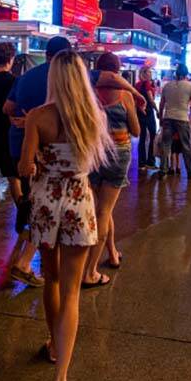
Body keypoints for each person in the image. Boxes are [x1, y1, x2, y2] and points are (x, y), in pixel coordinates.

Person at [18, 50, 113, 381]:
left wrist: (39, 159)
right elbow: (92, 162)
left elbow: (24, 167)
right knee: (73, 291)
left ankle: (53, 345)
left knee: (52, 280)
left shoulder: (37, 118)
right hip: (78, 201)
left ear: (53, 78)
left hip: (45, 203)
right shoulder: (93, 117)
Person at [0, 41, 40, 284]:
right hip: (9, 137)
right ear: (11, 58)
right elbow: (17, 109)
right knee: (14, 178)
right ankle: (22, 221)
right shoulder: (15, 82)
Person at [4, 36, 74, 255]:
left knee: (33, 195)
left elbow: (7, 107)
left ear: (46, 55)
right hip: (54, 153)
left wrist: (22, 120)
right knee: (54, 204)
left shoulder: (25, 78)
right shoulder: (71, 80)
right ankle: (36, 256)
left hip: (21, 146)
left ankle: (35, 245)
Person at [84, 53, 139, 287]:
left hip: (94, 154)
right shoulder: (125, 95)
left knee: (103, 207)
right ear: (117, 71)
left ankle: (113, 253)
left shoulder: (88, 95)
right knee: (104, 211)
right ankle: (90, 272)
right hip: (118, 154)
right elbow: (136, 130)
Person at [158, 65, 191, 178]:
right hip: (182, 119)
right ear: (186, 74)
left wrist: (160, 117)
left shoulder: (167, 86)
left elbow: (162, 104)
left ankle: (163, 171)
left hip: (168, 118)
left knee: (165, 145)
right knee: (186, 146)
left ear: (176, 74)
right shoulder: (190, 86)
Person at [135, 65, 159, 170]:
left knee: (142, 138)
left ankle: (141, 163)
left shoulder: (137, 85)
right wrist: (157, 110)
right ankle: (151, 161)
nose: (150, 74)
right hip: (148, 112)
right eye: (149, 72)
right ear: (144, 73)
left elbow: (134, 98)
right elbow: (151, 100)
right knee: (153, 136)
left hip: (140, 112)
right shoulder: (147, 84)